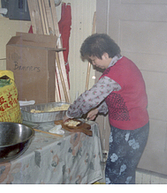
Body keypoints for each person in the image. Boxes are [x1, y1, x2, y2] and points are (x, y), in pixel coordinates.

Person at [64, 33, 149, 184]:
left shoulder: (115, 73)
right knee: (126, 171)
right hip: (136, 127)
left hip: (127, 132)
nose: (94, 64)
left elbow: (88, 99)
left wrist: (70, 113)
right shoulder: (124, 63)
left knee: (115, 171)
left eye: (93, 59)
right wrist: (99, 109)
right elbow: (121, 95)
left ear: (104, 54)